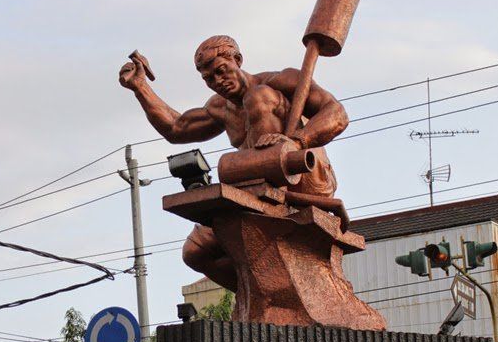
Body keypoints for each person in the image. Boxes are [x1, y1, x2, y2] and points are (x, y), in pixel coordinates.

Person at [119, 35, 349, 290]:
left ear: (237, 60)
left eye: (221, 71)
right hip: (255, 193)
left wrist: (297, 142)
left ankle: (270, 203)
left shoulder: (279, 81)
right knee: (195, 252)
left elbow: (337, 114)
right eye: (209, 79)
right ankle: (259, 292)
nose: (218, 82)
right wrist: (141, 87)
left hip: (304, 179)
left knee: (257, 96)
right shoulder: (221, 108)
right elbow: (177, 127)